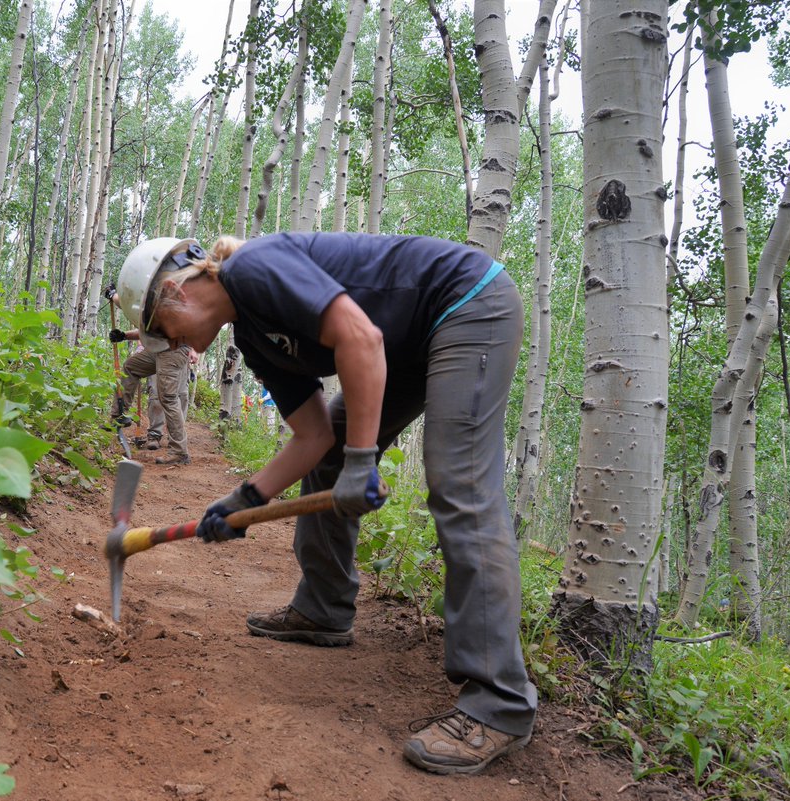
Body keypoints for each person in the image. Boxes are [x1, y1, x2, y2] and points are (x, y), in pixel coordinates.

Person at [114, 232, 535, 776]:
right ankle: (324, 608)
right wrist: (246, 498)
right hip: (403, 338)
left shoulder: (254, 269)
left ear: (175, 291)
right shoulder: (253, 336)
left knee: (459, 484)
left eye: (161, 333)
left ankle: (500, 704)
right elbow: (311, 436)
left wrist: (363, 463)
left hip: (464, 303)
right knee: (333, 451)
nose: (169, 345)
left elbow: (359, 338)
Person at [108, 328, 192, 465]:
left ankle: (179, 452)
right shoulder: (151, 309)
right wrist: (124, 335)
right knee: (131, 367)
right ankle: (118, 415)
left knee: (168, 398)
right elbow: (148, 328)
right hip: (159, 348)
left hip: (174, 349)